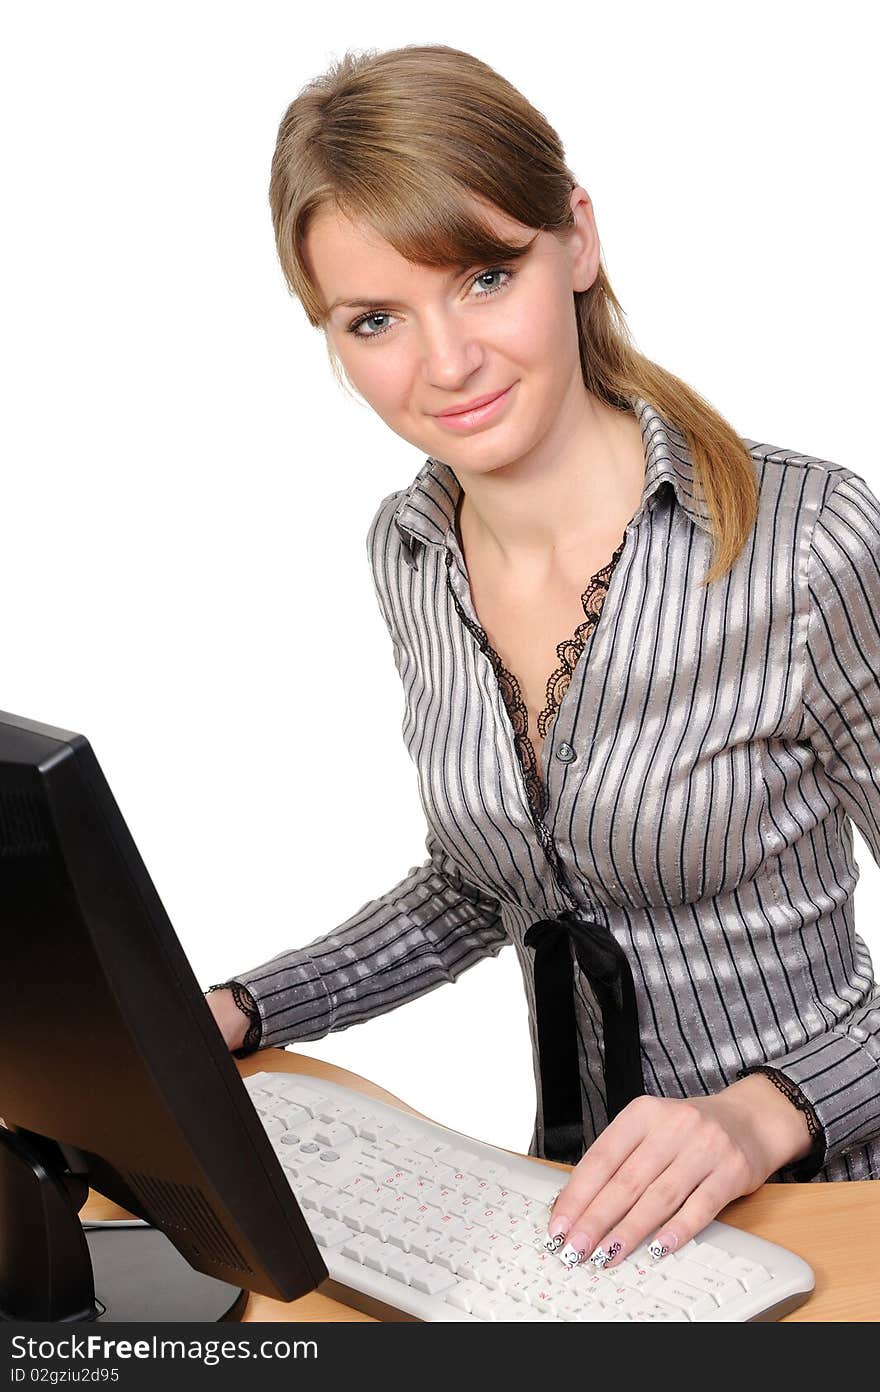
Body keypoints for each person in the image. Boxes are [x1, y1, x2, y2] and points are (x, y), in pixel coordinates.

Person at [206, 42, 880, 1274]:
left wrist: (759, 1111)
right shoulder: (410, 553)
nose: (445, 364)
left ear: (575, 238)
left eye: (481, 275)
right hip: (583, 1221)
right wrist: (234, 1012)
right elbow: (490, 884)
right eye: (375, 320)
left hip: (835, 1205)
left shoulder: (803, 542)